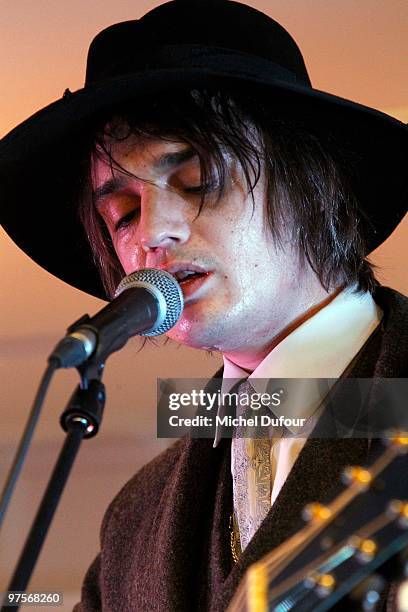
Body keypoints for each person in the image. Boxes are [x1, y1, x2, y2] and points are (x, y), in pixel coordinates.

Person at [0, 1, 407, 610]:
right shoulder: (131, 525)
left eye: (198, 179)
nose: (152, 233)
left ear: (317, 184)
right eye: (123, 212)